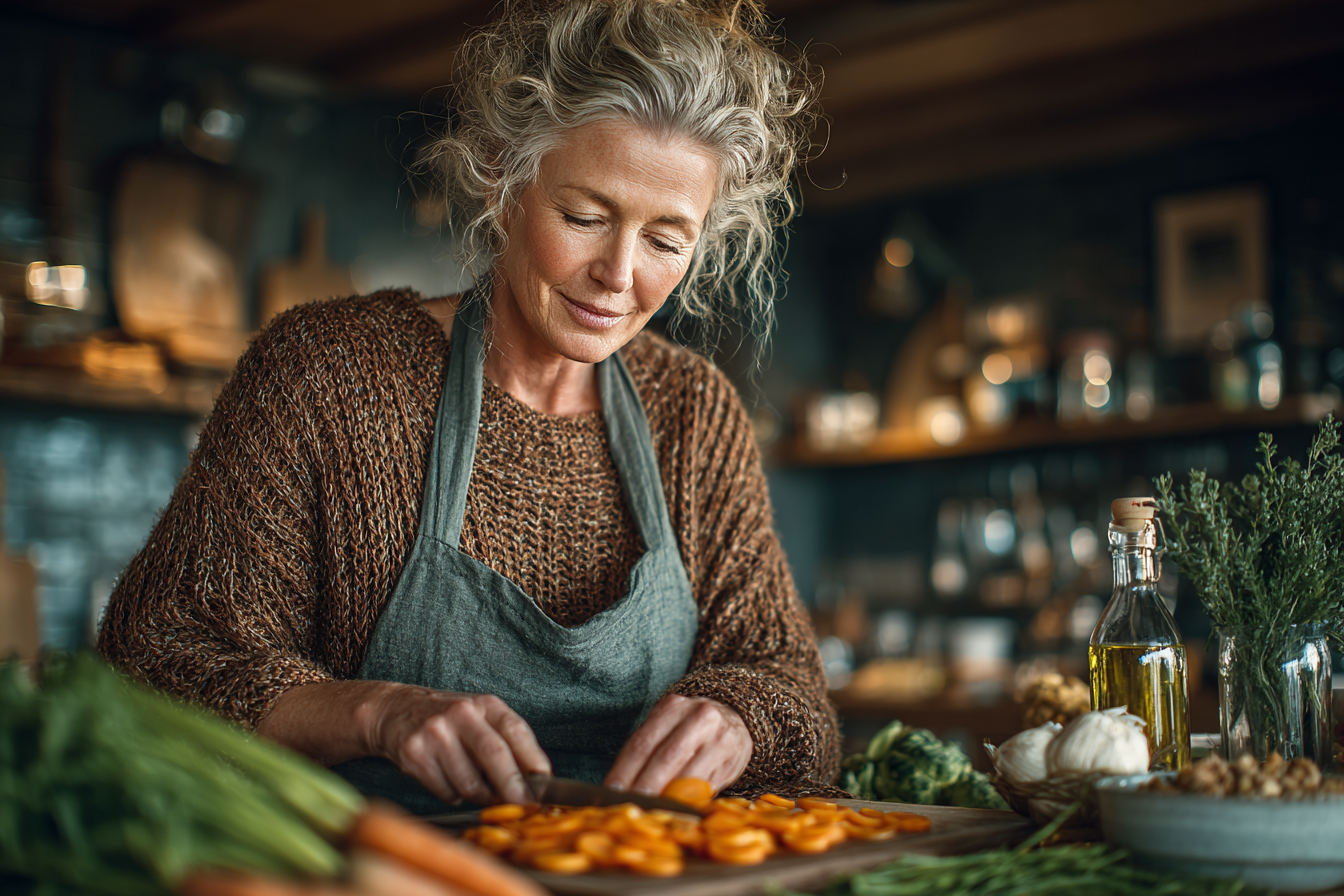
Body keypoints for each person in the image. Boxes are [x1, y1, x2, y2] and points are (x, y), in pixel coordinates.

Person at [98, 0, 841, 813]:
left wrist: (744, 714)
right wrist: (376, 712)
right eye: (585, 217)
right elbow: (159, 654)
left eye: (667, 240)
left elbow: (793, 687)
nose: (620, 274)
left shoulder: (694, 413)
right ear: (501, 176)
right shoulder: (331, 375)